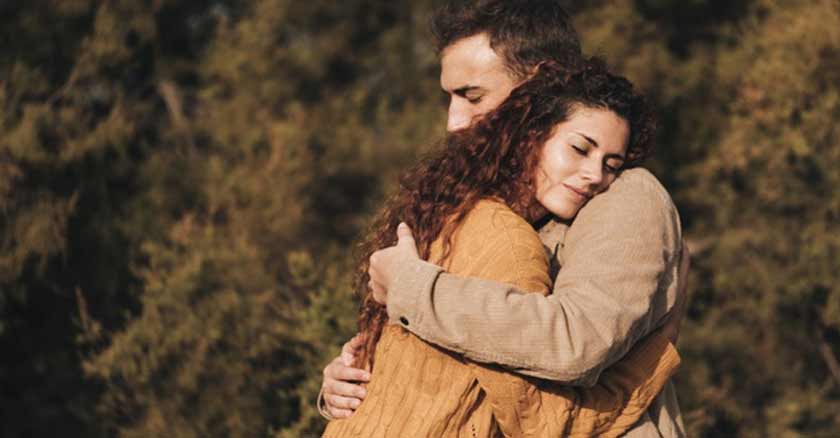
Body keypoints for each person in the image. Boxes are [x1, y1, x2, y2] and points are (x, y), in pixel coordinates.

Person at [321, 1, 688, 436]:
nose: (455, 121)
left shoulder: (623, 195)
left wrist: (412, 290)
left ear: (537, 88)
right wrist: (353, 380)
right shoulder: (494, 206)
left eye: (472, 95)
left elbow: (576, 343)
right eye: (450, 97)